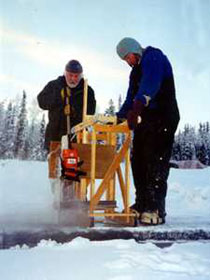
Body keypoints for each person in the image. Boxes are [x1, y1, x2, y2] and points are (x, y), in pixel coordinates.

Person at [116, 37, 180, 225]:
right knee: (138, 160)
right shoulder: (135, 72)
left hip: (163, 117)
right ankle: (142, 203)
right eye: (125, 60)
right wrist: (119, 116)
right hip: (146, 119)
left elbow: (149, 86)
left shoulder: (153, 57)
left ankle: (155, 208)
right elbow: (131, 97)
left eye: (128, 57)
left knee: (155, 161)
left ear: (135, 50)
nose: (128, 62)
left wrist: (137, 105)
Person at [37, 60, 96, 151]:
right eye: (70, 75)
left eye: (76, 76)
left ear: (81, 75)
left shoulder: (87, 91)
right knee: (55, 163)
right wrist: (59, 97)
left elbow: (90, 112)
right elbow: (41, 102)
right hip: (54, 135)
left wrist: (74, 110)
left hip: (76, 137)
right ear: (65, 73)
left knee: (75, 163)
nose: (73, 79)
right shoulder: (54, 85)